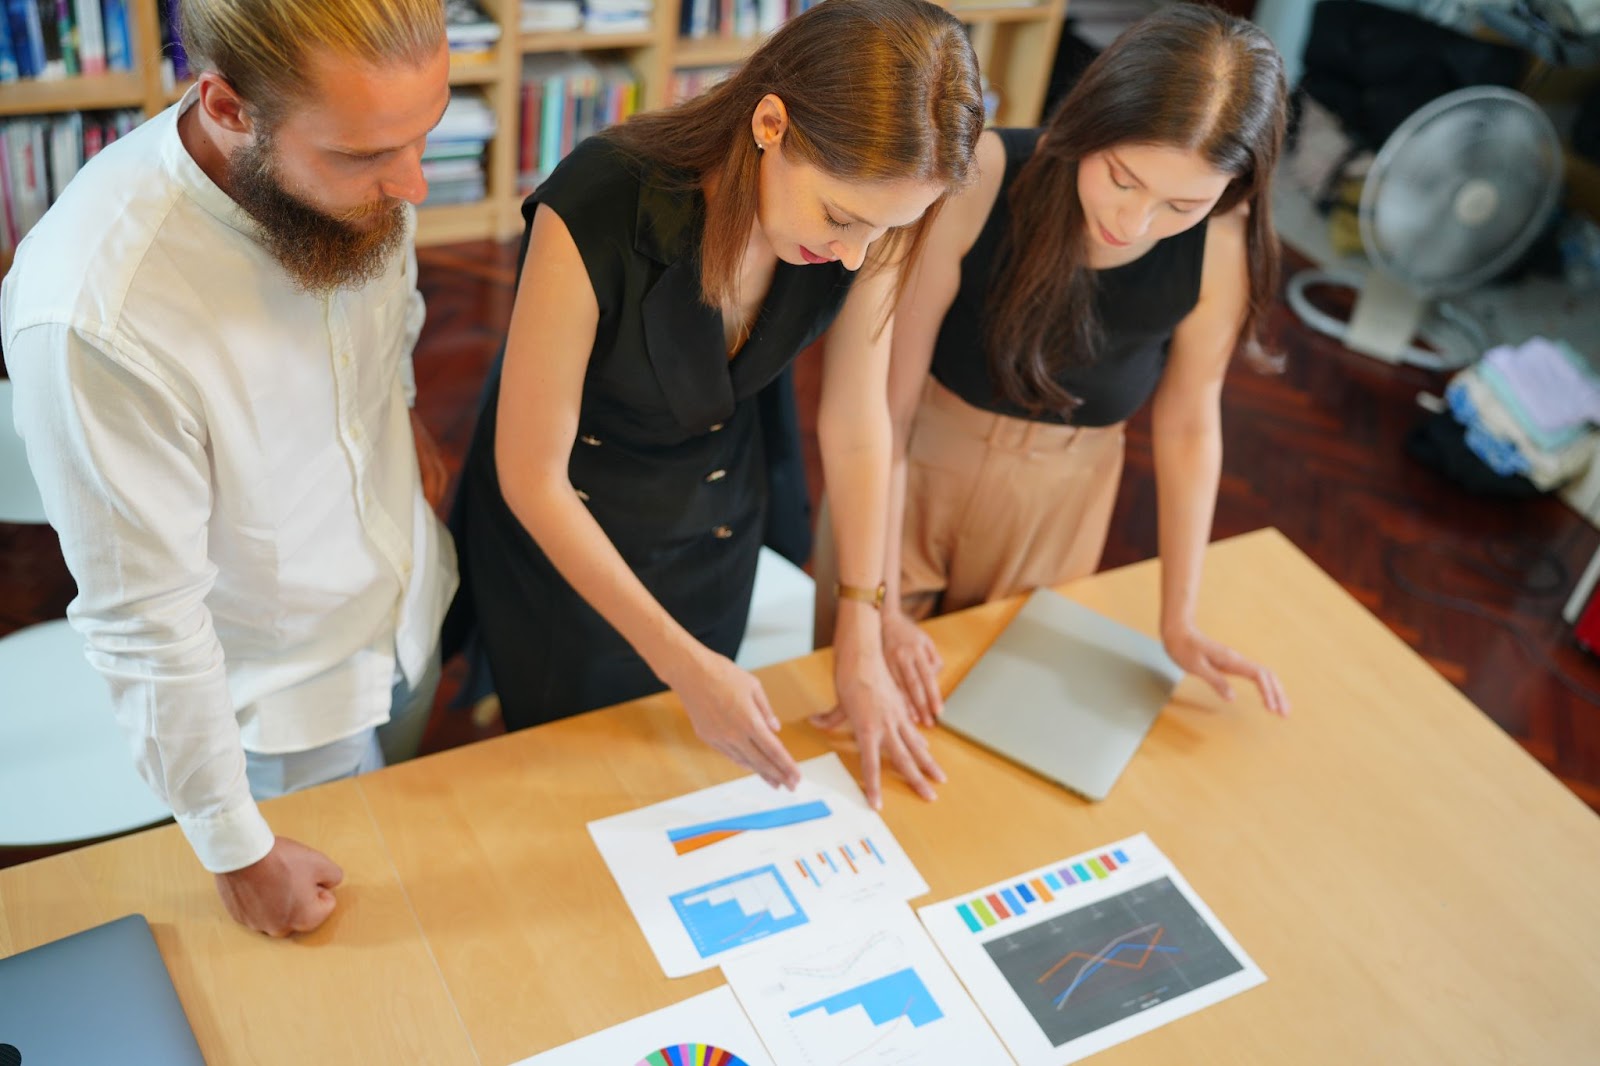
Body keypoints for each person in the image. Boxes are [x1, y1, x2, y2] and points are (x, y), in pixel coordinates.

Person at [449, 0, 985, 808]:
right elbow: (531, 475)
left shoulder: (870, 214)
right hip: (572, 541)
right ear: (771, 122)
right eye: (840, 219)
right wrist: (681, 664)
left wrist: (861, 630)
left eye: (883, 232)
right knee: (571, 786)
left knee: (677, 788)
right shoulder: (599, 205)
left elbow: (859, 425)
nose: (853, 255)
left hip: (717, 524)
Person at [0, 0, 457, 937]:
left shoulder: (352, 169)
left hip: (410, 609)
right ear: (228, 106)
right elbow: (145, 621)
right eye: (367, 155)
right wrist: (235, 848)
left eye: (425, 136)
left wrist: (405, 429)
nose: (413, 185)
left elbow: (385, 329)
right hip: (281, 719)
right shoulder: (97, 312)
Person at [818, 3, 1292, 719]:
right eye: (1123, 177)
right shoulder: (979, 179)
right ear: (1092, 120)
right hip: (908, 477)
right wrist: (879, 604)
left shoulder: (1224, 245)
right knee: (852, 704)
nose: (1132, 223)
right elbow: (887, 406)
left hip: (1064, 508)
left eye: (1182, 204)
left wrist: (1179, 618)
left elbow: (1192, 425)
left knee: (998, 728)